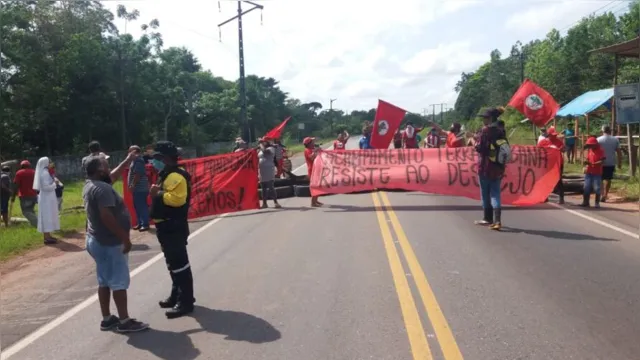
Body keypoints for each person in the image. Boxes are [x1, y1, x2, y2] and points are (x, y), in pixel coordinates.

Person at [83, 156, 149, 333]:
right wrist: (124, 238)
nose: (109, 167)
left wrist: (127, 160)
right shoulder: (103, 189)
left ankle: (107, 319)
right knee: (118, 281)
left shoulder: (91, 184)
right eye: (106, 165)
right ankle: (125, 321)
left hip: (96, 239)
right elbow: (106, 216)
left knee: (104, 280)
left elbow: (113, 176)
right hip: (110, 242)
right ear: (100, 171)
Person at [149, 141, 195, 319]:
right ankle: (176, 295)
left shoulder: (175, 176)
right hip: (166, 226)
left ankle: (186, 302)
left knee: (180, 265)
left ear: (165, 158)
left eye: (156, 158)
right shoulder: (166, 174)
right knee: (172, 264)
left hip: (173, 226)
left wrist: (157, 194)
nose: (153, 162)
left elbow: (177, 200)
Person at [474, 107, 507, 230]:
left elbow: (480, 148)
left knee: (485, 193)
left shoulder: (485, 131)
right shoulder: (501, 131)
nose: (484, 120)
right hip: (498, 167)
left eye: (486, 118)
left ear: (491, 118)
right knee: (496, 194)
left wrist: (474, 143)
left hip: (485, 167)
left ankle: (487, 218)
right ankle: (497, 221)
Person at [33, 157, 60, 245]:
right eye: (49, 162)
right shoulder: (44, 173)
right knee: (47, 216)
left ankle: (48, 235)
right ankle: (47, 237)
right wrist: (54, 184)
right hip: (46, 198)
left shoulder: (45, 172)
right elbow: (45, 187)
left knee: (48, 215)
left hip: (47, 197)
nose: (50, 163)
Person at [537, 126, 565, 204]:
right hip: (547, 164)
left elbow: (564, 149)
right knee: (546, 180)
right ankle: (545, 196)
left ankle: (561, 197)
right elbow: (538, 152)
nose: (555, 136)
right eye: (553, 135)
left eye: (555, 135)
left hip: (558, 163)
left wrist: (562, 148)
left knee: (559, 180)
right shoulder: (543, 142)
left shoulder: (559, 142)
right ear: (549, 135)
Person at [128, 145, 150, 231]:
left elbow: (138, 175)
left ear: (135, 152)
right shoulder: (134, 161)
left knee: (141, 206)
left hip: (140, 188)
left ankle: (145, 223)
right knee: (137, 206)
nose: (129, 153)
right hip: (137, 188)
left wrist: (132, 185)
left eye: (130, 151)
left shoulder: (138, 161)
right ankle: (140, 223)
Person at [597, 125, 622, 202]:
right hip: (611, 162)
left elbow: (594, 151)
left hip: (600, 162)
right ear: (610, 131)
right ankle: (605, 194)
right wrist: (619, 162)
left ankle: (601, 194)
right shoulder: (615, 140)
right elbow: (619, 152)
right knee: (608, 179)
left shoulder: (598, 139)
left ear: (602, 131)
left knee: (600, 179)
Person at [580, 136, 606, 208]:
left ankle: (597, 203)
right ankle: (585, 202)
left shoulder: (601, 150)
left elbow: (602, 161)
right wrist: (586, 162)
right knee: (586, 187)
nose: (589, 146)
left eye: (591, 145)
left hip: (597, 172)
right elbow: (588, 159)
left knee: (597, 188)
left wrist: (594, 164)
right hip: (589, 171)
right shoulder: (590, 150)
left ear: (595, 144)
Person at [11, 160, 38, 227]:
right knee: (31, 210)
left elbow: (16, 185)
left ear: (21, 166)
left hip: (24, 196)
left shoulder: (19, 173)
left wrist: (13, 196)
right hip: (34, 195)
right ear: (29, 165)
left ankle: (38, 224)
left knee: (26, 212)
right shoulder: (34, 172)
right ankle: (34, 224)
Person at [258, 138, 281, 209]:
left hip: (269, 169)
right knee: (263, 187)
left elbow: (265, 152)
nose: (263, 143)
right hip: (262, 170)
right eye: (262, 141)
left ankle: (276, 202)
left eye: (264, 141)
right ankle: (264, 203)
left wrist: (260, 144)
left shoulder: (271, 148)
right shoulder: (261, 149)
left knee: (270, 186)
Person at [304, 137, 322, 207]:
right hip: (312, 170)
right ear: (309, 143)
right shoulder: (307, 150)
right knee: (315, 186)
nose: (313, 142)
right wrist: (316, 151)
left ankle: (316, 201)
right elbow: (311, 158)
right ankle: (313, 202)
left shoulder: (312, 149)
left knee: (318, 186)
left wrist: (319, 150)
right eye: (312, 141)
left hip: (317, 169)